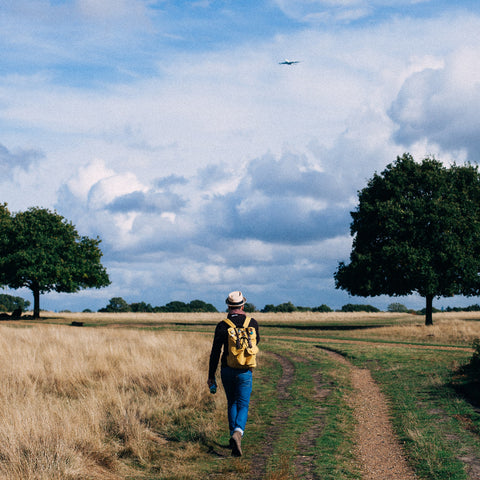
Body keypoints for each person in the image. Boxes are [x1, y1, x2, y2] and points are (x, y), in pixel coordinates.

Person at [208, 290, 260, 457]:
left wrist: (211, 376)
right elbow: (255, 343)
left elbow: (215, 352)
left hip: (227, 370)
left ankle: (233, 435)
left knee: (232, 402)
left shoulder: (222, 325)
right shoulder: (253, 323)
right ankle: (238, 432)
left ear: (228, 306)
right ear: (242, 305)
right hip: (245, 370)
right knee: (243, 404)